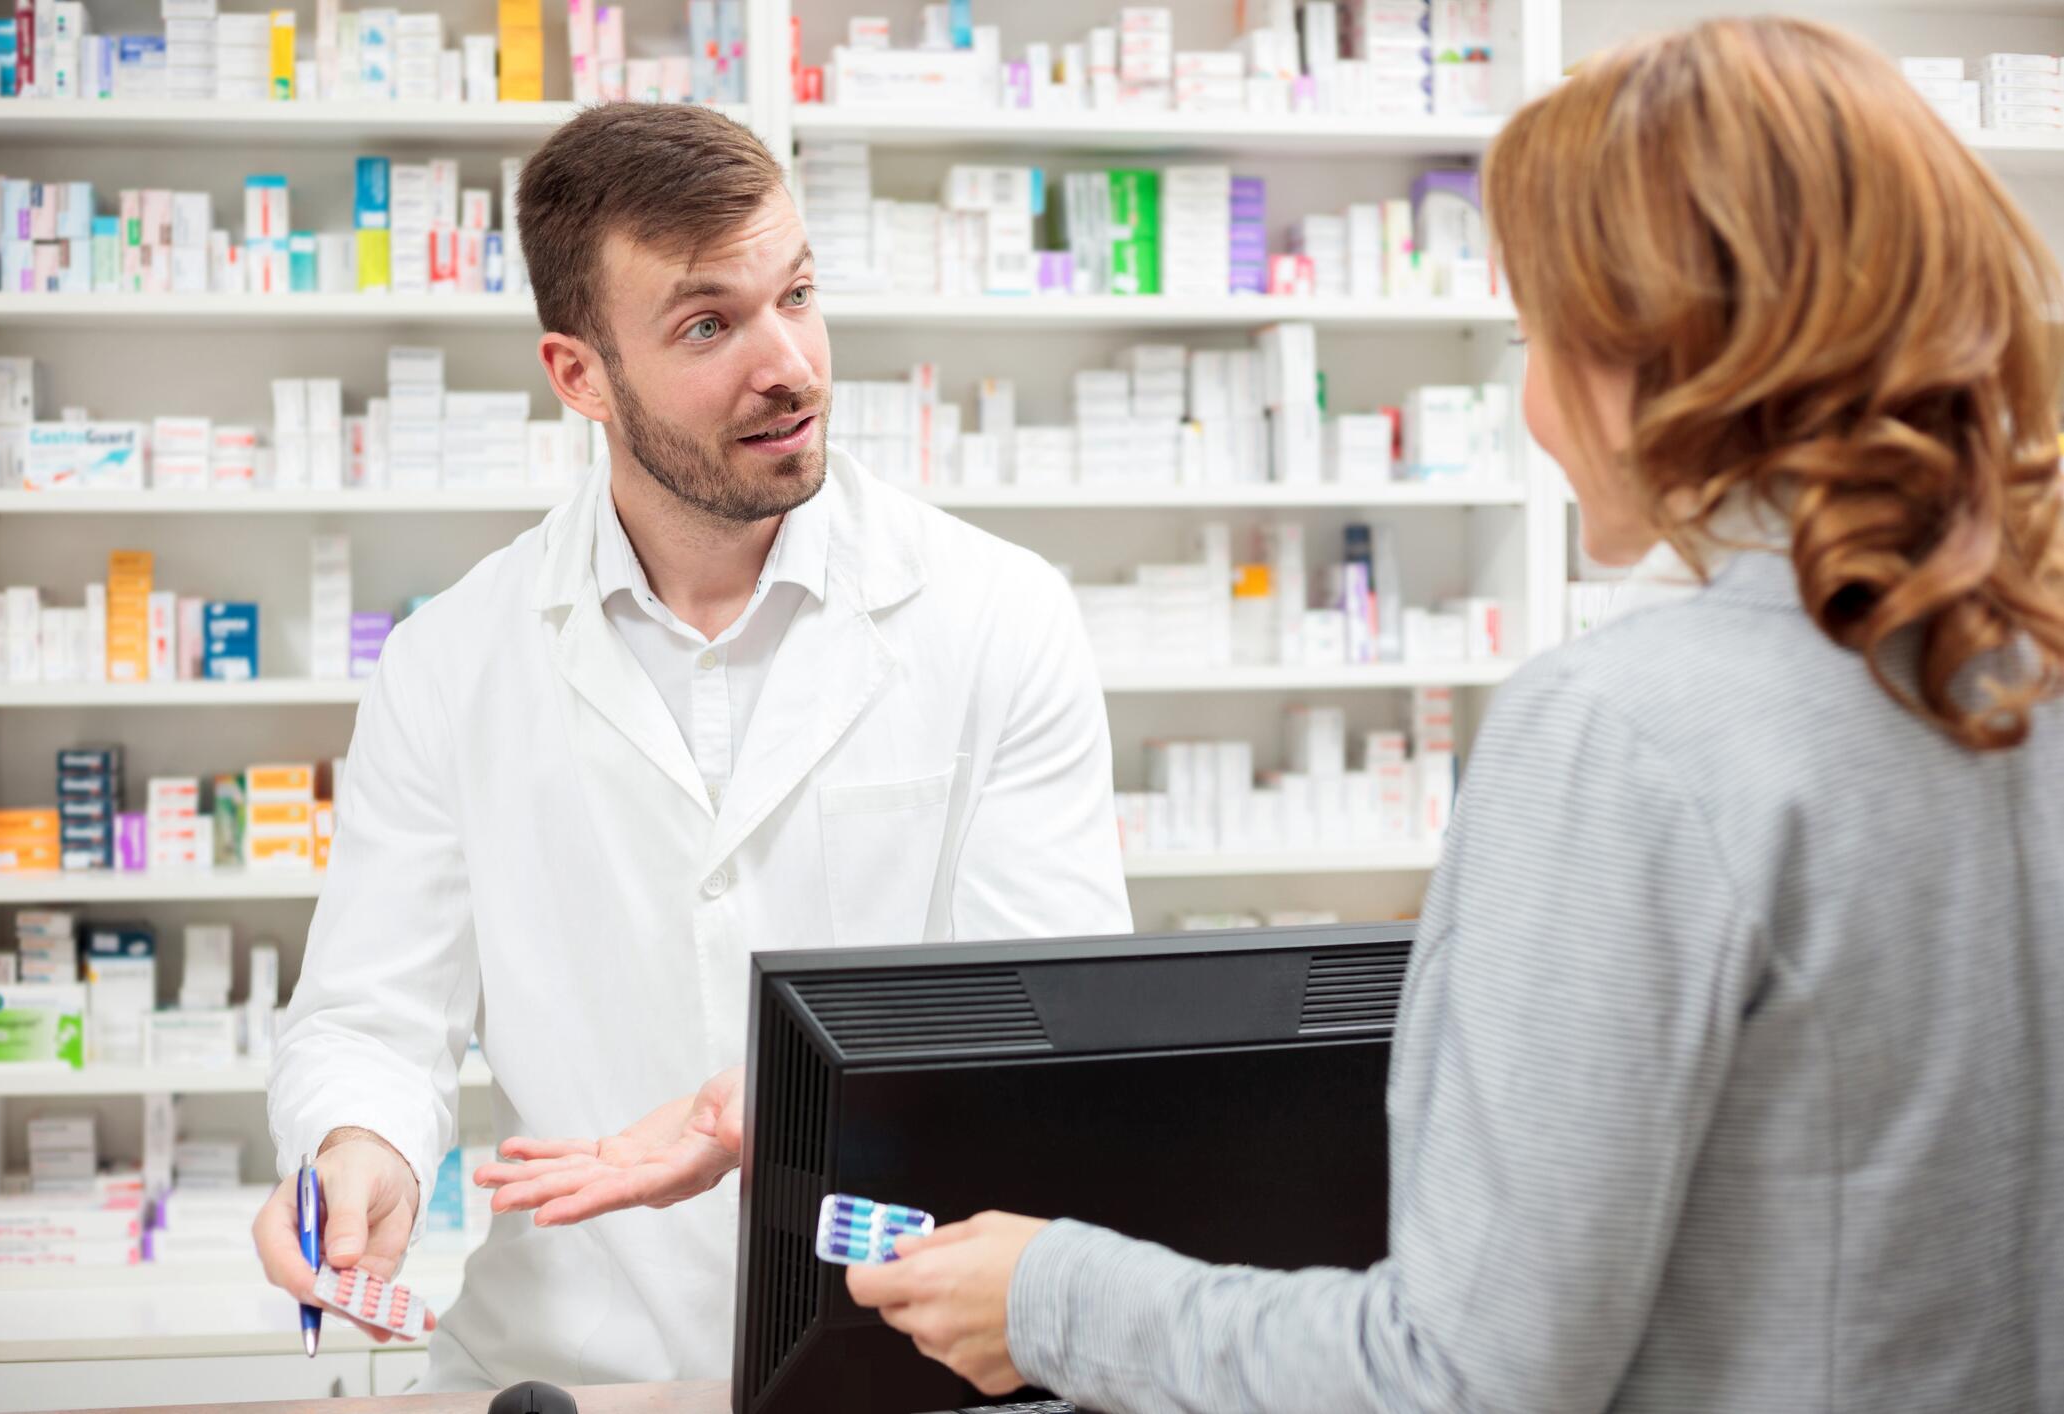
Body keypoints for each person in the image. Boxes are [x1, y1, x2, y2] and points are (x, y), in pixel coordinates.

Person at [844, 19, 2064, 1412]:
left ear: (1668, 355)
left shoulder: (1625, 729)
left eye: (1540, 337)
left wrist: (1054, 1299)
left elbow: (1465, 1380)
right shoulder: (2015, 673)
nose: (1532, 403)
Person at [251, 103, 1132, 1391]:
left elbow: (1055, 1030)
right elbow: (374, 1019)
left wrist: (793, 1099)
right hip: (562, 1367)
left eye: (799, 295)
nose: (790, 365)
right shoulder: (454, 663)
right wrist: (356, 1150)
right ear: (579, 375)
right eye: (708, 325)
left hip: (908, 1352)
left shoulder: (997, 615)